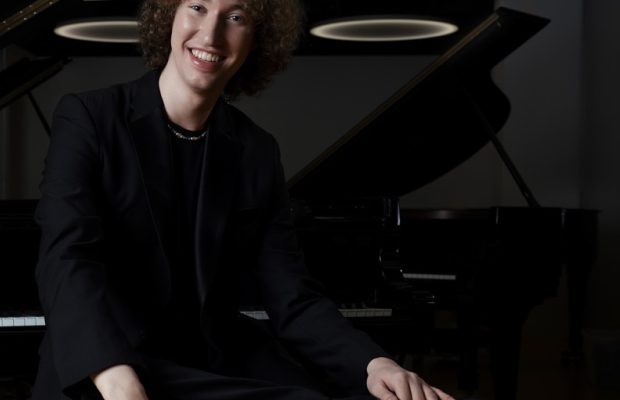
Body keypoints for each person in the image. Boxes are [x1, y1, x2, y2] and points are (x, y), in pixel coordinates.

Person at [32, 0, 455, 399]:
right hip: (109, 358)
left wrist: (375, 364)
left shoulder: (256, 149)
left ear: (257, 38)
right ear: (169, 15)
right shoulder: (89, 117)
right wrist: (114, 374)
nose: (210, 34)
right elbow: (67, 257)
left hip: (212, 361)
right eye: (197, 7)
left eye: (236, 17)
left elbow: (292, 296)